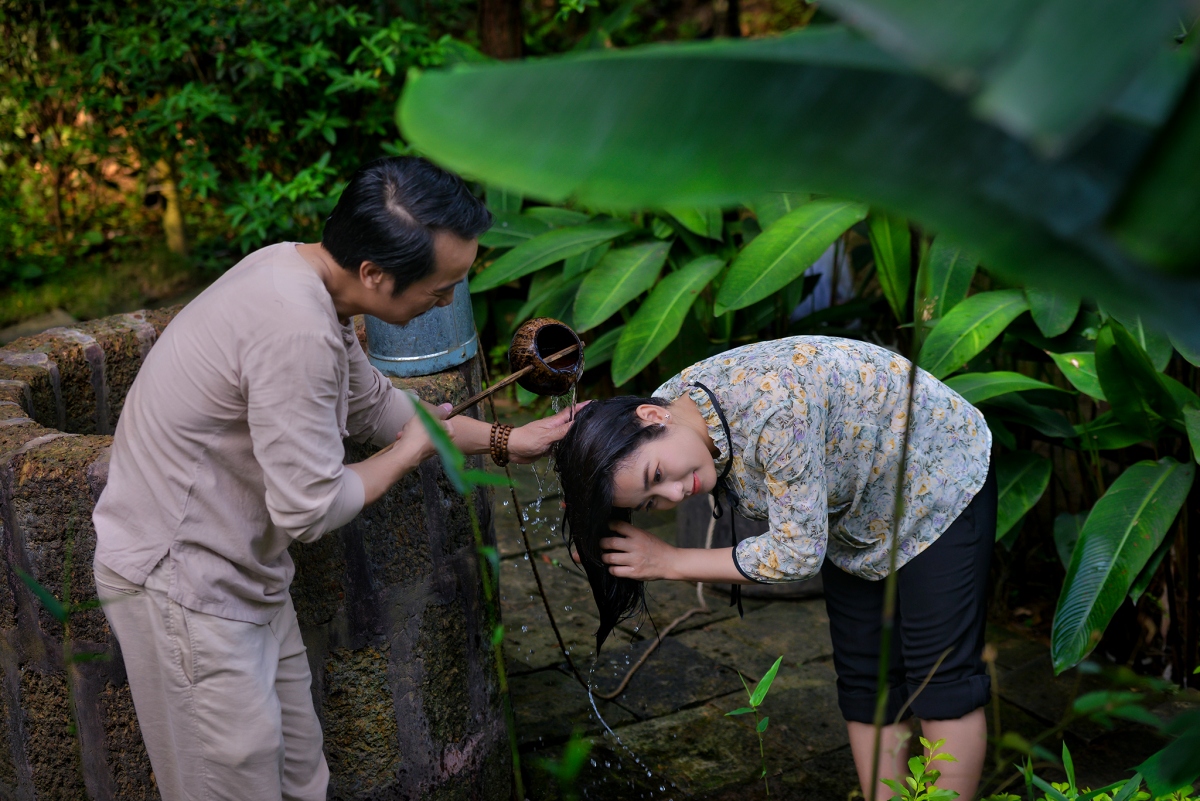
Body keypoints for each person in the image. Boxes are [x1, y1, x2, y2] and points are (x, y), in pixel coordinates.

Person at [92, 156, 577, 801]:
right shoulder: (294, 328)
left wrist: (507, 440)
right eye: (440, 288)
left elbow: (376, 407)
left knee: (299, 776)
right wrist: (409, 454)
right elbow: (312, 509)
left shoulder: (301, 277)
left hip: (242, 574)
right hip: (181, 584)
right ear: (375, 274)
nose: (447, 301)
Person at [553, 336, 995, 799]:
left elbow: (797, 553)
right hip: (852, 506)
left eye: (658, 476)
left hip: (936, 477)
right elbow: (605, 466)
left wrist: (670, 561)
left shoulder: (775, 411)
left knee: (942, 681)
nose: (673, 495)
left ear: (653, 416)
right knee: (867, 678)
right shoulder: (666, 413)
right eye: (649, 502)